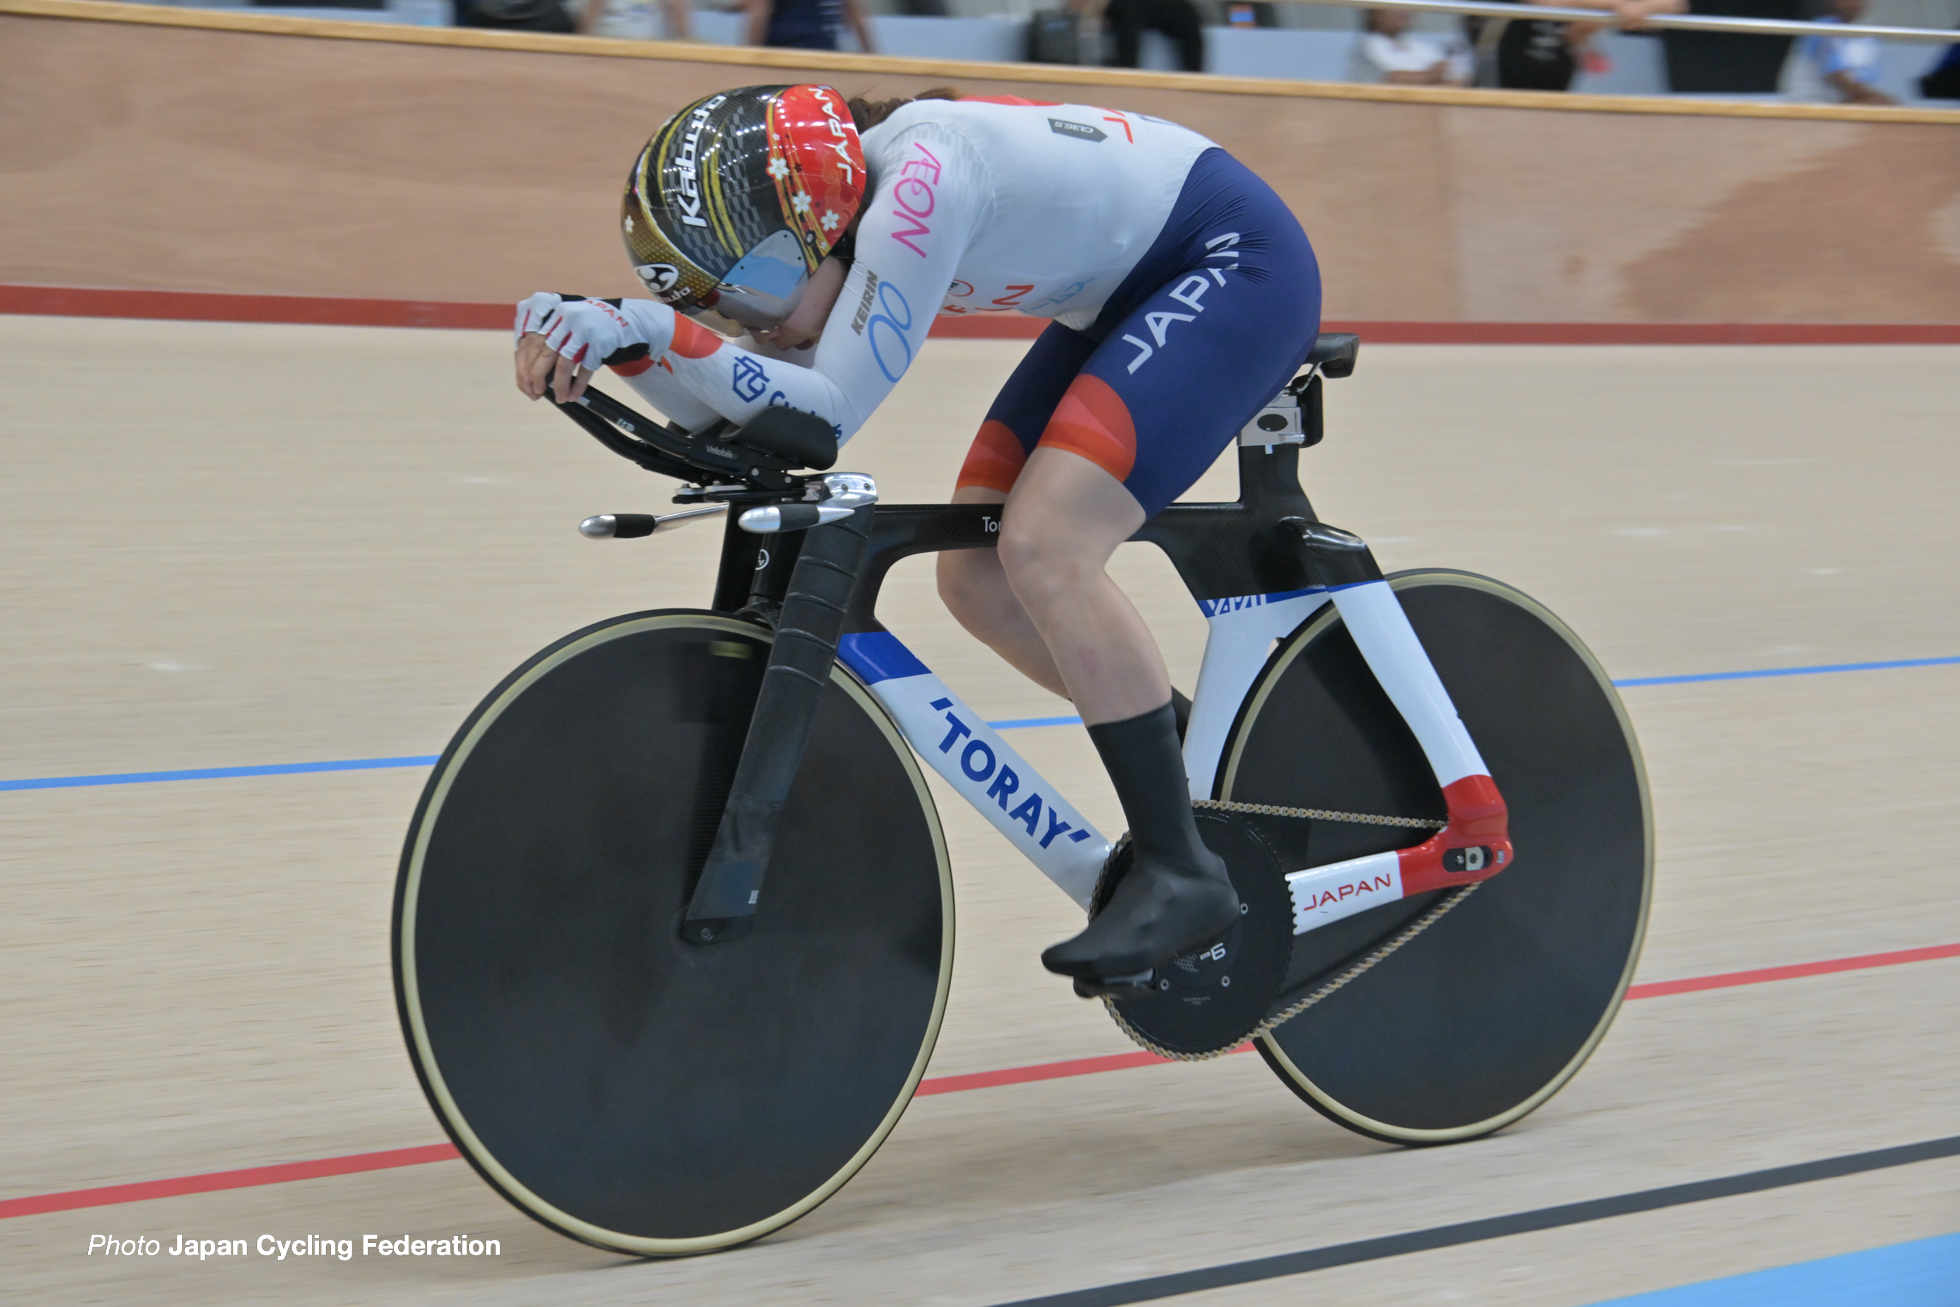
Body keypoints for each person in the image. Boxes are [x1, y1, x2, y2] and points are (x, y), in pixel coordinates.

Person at [511, 86, 1322, 987]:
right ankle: (1199, 768)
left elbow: (821, 417)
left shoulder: (921, 181)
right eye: (720, 304)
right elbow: (744, 424)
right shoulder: (845, 216)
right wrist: (620, 345)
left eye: (754, 287)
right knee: (976, 579)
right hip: (1135, 291)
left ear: (820, 222)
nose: (752, 325)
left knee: (1048, 546)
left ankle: (1182, 870)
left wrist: (652, 329)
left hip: (1234, 264)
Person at [1798, 0, 1896, 104]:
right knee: (1878, 103)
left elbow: (1865, 79)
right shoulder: (1822, 27)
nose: (1853, 3)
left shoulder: (1866, 33)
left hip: (1840, 101)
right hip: (1811, 101)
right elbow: (1838, 77)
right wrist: (1879, 98)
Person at [1353, 8, 1471, 86]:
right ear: (1374, 13)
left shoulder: (1420, 45)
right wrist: (1431, 76)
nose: (1403, 9)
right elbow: (1389, 80)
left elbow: (1454, 79)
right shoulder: (1367, 47)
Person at [745, 0, 877, 52]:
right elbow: (856, 18)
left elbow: (761, 11)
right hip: (820, 52)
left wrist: (751, 57)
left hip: (784, 52)